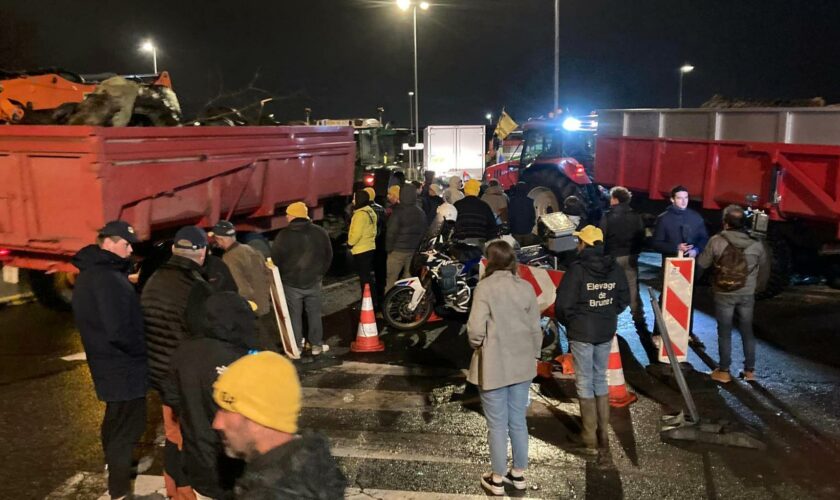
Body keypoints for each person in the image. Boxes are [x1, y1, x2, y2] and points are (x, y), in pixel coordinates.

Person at [72, 220, 147, 500]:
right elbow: (119, 329)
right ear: (112, 242)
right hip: (124, 365)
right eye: (127, 244)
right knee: (128, 429)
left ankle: (113, 473)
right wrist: (143, 350)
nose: (130, 250)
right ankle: (120, 491)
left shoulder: (91, 274)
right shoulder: (107, 279)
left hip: (106, 363)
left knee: (115, 422)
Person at [212, 352, 347, 498]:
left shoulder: (268, 493)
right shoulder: (310, 465)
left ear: (258, 419)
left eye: (226, 411)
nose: (217, 423)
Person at [467, 240, 542, 496]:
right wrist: (534, 355)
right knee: (518, 421)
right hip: (522, 364)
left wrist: (479, 344)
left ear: (489, 261)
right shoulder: (526, 287)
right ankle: (518, 474)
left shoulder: (485, 288)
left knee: (497, 424)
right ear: (512, 261)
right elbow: (535, 329)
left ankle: (497, 478)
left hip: (494, 364)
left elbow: (475, 330)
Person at [142, 225, 210, 500]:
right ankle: (184, 491)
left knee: (173, 433)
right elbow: (204, 334)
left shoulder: (155, 279)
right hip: (184, 376)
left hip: (159, 371)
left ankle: (172, 488)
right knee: (188, 437)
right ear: (202, 251)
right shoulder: (195, 287)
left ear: (173, 250)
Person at [162, 292, 252, 499]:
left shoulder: (184, 352)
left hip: (198, 460)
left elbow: (172, 401)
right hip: (237, 465)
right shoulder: (242, 358)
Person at [555, 226, 629, 455]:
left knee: (585, 381)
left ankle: (588, 435)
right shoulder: (614, 268)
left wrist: (573, 322)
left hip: (582, 332)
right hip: (605, 330)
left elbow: (563, 305)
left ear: (584, 244)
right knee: (599, 379)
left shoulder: (577, 269)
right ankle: (603, 435)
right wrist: (607, 313)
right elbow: (623, 298)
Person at [697, 205, 767, 383]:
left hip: (723, 292)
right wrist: (755, 289)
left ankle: (724, 370)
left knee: (725, 331)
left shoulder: (716, 240)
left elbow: (702, 264)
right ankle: (749, 371)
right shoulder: (757, 243)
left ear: (725, 222)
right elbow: (764, 270)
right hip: (747, 293)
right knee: (747, 330)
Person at [271, 202, 333, 356]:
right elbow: (328, 255)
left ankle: (296, 345)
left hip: (291, 283)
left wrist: (285, 276)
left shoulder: (283, 235)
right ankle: (316, 345)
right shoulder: (320, 232)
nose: (286, 216)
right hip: (314, 281)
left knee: (294, 315)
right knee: (314, 314)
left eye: (288, 213)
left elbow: (276, 259)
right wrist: (319, 274)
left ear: (293, 215)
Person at [600, 186, 653, 361]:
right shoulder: (636, 217)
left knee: (610, 288)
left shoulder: (607, 217)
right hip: (630, 257)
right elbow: (641, 238)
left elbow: (603, 237)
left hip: (612, 258)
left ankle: (608, 318)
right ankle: (639, 318)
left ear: (615, 199)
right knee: (632, 289)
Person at [651, 185, 709, 346]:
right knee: (666, 297)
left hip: (690, 265)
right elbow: (656, 243)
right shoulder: (664, 218)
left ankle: (687, 332)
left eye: (686, 198)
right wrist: (676, 248)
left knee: (688, 297)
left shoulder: (696, 217)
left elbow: (704, 238)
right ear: (672, 199)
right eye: (679, 198)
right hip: (671, 265)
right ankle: (658, 333)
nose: (683, 201)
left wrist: (696, 249)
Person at [211, 220, 276, 351]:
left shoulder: (229, 258)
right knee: (272, 338)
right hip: (266, 303)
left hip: (253, 308)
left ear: (220, 239)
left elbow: (242, 288)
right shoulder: (250, 249)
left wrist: (244, 308)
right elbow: (267, 274)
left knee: (261, 344)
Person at [385, 181, 428, 289]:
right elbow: (423, 231)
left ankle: (388, 302)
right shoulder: (421, 212)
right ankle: (406, 301)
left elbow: (391, 232)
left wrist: (388, 249)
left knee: (391, 279)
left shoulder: (398, 212)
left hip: (397, 251)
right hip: (413, 251)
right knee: (408, 279)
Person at [348, 189, 379, 307]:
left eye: (355, 198)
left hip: (361, 249)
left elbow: (356, 233)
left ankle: (368, 301)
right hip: (369, 246)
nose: (353, 200)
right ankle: (372, 299)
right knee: (367, 277)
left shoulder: (360, 214)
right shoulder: (370, 211)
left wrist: (350, 243)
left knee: (364, 278)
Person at [453, 179, 499, 244]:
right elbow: (492, 226)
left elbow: (451, 224)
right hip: (480, 242)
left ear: (465, 190)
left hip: (460, 243)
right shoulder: (484, 206)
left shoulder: (457, 205)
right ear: (478, 191)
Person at [365, 187, 388, 305]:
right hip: (380, 243)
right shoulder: (382, 209)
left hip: (369, 243)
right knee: (380, 271)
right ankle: (380, 294)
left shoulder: (364, 210)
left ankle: (370, 297)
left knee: (368, 271)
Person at [508, 182, 538, 246]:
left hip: (516, 232)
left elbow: (510, 216)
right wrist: (531, 226)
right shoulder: (530, 201)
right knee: (528, 250)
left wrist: (511, 228)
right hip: (527, 231)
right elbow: (533, 216)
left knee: (517, 251)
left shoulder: (512, 201)